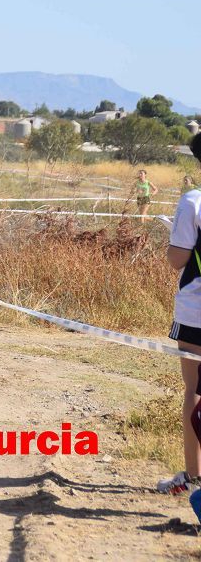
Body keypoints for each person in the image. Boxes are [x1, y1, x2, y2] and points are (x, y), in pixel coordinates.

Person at [160, 133, 201, 496]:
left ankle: (192, 477)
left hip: (197, 311)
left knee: (196, 391)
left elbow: (177, 259)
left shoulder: (193, 202)